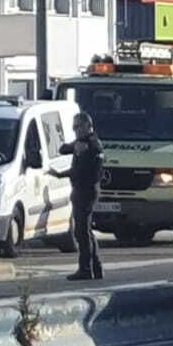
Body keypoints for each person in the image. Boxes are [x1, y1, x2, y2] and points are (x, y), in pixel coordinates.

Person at [60, 111, 105, 281]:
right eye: (73, 127)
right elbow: (63, 149)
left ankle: (86, 269)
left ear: (88, 125)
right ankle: (96, 267)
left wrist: (63, 174)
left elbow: (83, 171)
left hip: (86, 190)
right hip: (84, 190)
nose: (75, 130)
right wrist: (74, 146)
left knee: (82, 232)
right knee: (86, 231)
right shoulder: (84, 143)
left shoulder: (91, 145)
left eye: (78, 126)